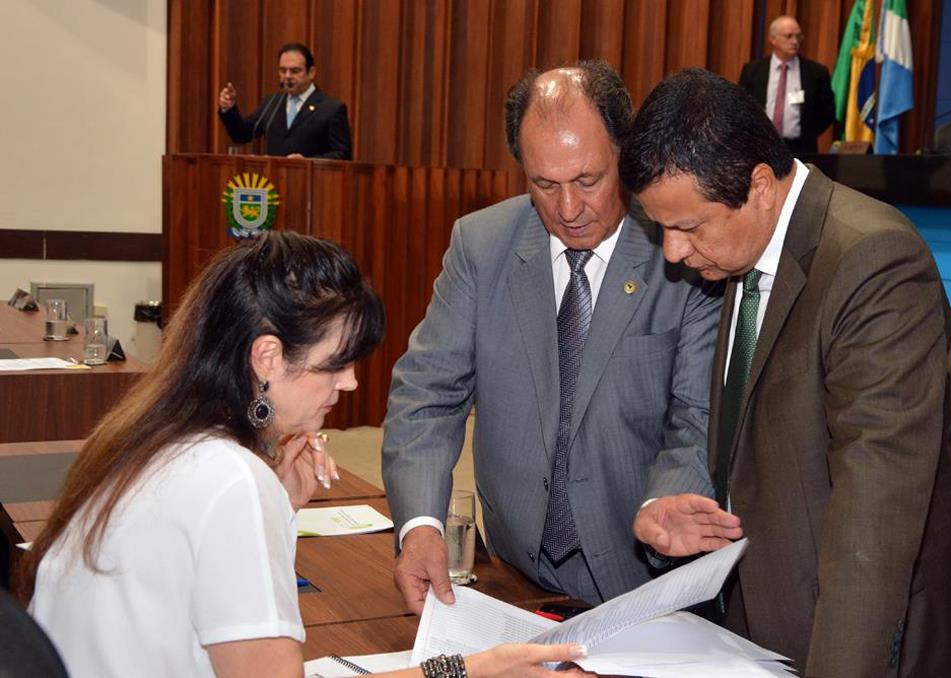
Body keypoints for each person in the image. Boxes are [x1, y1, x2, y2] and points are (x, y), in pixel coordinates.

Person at [16, 232, 583, 678]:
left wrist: (280, 503)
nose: (352, 384)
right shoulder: (230, 479)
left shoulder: (150, 436)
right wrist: (470, 670)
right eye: (334, 363)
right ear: (267, 357)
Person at [621, 68, 951, 677]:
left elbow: (870, 530)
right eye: (660, 226)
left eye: (687, 227)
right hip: (764, 619)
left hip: (861, 636)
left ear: (761, 186)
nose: (672, 252)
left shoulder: (876, 264)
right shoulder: (741, 251)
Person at [382, 61, 729, 613]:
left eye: (587, 181)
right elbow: (427, 395)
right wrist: (421, 525)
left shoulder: (683, 255)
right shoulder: (481, 244)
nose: (568, 210)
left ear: (626, 154)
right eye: (545, 185)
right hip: (516, 576)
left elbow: (697, 417)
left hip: (646, 579)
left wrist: (668, 501)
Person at [218, 43, 352, 160]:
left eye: (295, 71)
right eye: (282, 71)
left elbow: (343, 155)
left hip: (312, 184)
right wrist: (229, 109)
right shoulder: (272, 103)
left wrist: (308, 161)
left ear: (311, 72)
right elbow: (241, 135)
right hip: (273, 185)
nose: (287, 76)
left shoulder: (331, 109)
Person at [739, 16, 835, 154]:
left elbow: (827, 113)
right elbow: (743, 108)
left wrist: (808, 132)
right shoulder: (753, 70)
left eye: (798, 36)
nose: (795, 42)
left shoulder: (816, 73)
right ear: (773, 39)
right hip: (761, 147)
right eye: (789, 36)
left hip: (801, 149)